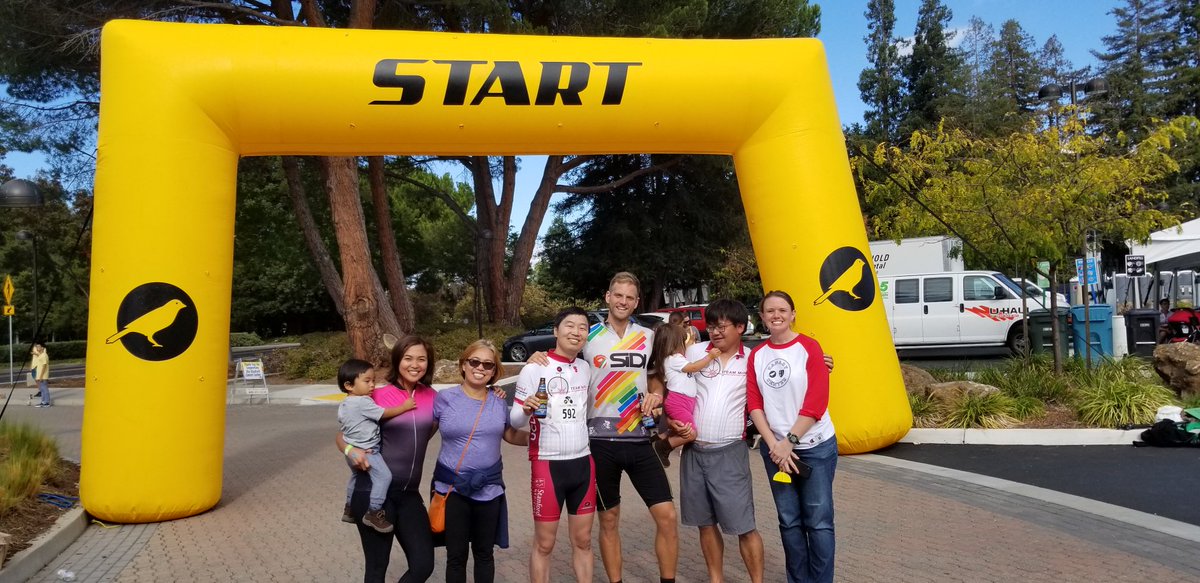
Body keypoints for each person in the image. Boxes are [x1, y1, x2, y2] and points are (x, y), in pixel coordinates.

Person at [529, 272, 679, 583]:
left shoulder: (648, 336)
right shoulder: (589, 336)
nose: (623, 301)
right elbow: (563, 357)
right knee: (609, 520)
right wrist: (538, 356)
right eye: (618, 295)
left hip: (640, 439)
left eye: (629, 297)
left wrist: (657, 394)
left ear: (636, 302)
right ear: (607, 297)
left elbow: (656, 375)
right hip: (598, 443)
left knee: (667, 517)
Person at [747, 290, 837, 583]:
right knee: (789, 521)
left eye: (782, 310)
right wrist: (774, 445)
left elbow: (816, 402)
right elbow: (754, 403)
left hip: (814, 447)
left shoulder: (810, 348)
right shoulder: (758, 355)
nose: (776, 315)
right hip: (776, 451)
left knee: (819, 522)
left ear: (793, 313)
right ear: (761, 317)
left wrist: (789, 443)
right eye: (770, 311)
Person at [676, 298, 765, 583]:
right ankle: (716, 579)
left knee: (743, 525)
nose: (715, 332)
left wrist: (819, 364)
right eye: (711, 326)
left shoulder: (752, 359)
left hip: (730, 453)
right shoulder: (694, 351)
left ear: (740, 327)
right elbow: (666, 375)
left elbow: (783, 383)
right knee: (704, 523)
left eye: (722, 326)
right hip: (693, 452)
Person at [338, 336, 438, 583]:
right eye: (408, 358)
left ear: (428, 364)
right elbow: (342, 436)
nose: (415, 364)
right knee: (376, 568)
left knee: (423, 564)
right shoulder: (376, 395)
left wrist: (494, 391)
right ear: (398, 360)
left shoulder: (434, 396)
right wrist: (351, 450)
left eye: (421, 359)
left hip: (409, 494)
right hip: (374, 491)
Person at [510, 307, 596, 583]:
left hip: (583, 463)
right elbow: (513, 420)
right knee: (545, 544)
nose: (576, 331)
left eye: (582, 327)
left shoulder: (585, 368)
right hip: (547, 464)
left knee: (583, 542)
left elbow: (589, 411)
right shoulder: (534, 367)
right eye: (569, 326)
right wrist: (526, 408)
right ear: (556, 331)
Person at [432, 339, 527, 583]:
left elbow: (510, 434)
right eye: (475, 362)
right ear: (463, 365)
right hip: (452, 490)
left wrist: (543, 438)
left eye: (488, 364)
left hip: (489, 491)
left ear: (494, 371)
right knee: (456, 556)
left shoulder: (498, 400)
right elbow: (420, 434)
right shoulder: (444, 399)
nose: (480, 368)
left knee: (484, 554)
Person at [337, 358, 417, 533]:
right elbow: (384, 414)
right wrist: (404, 407)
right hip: (369, 452)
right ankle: (373, 511)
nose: (372, 385)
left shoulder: (344, 404)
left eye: (373, 380)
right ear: (349, 385)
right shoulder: (363, 402)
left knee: (356, 478)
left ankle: (349, 507)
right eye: (367, 381)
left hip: (351, 452)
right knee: (384, 477)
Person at [650, 322, 721, 455]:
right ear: (675, 343)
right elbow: (693, 367)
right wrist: (710, 357)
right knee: (691, 433)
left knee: (682, 427)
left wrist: (690, 341)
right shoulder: (674, 359)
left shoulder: (672, 358)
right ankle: (663, 447)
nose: (685, 344)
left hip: (684, 400)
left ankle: (660, 438)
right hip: (679, 400)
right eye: (682, 341)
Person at [31, 343, 51, 407]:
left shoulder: (44, 355)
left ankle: (47, 402)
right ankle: (43, 402)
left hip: (43, 376)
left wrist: (41, 376)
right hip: (40, 376)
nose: (37, 348)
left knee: (45, 389)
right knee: (42, 390)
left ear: (42, 348)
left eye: (38, 347)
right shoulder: (41, 355)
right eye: (36, 347)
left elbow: (44, 366)